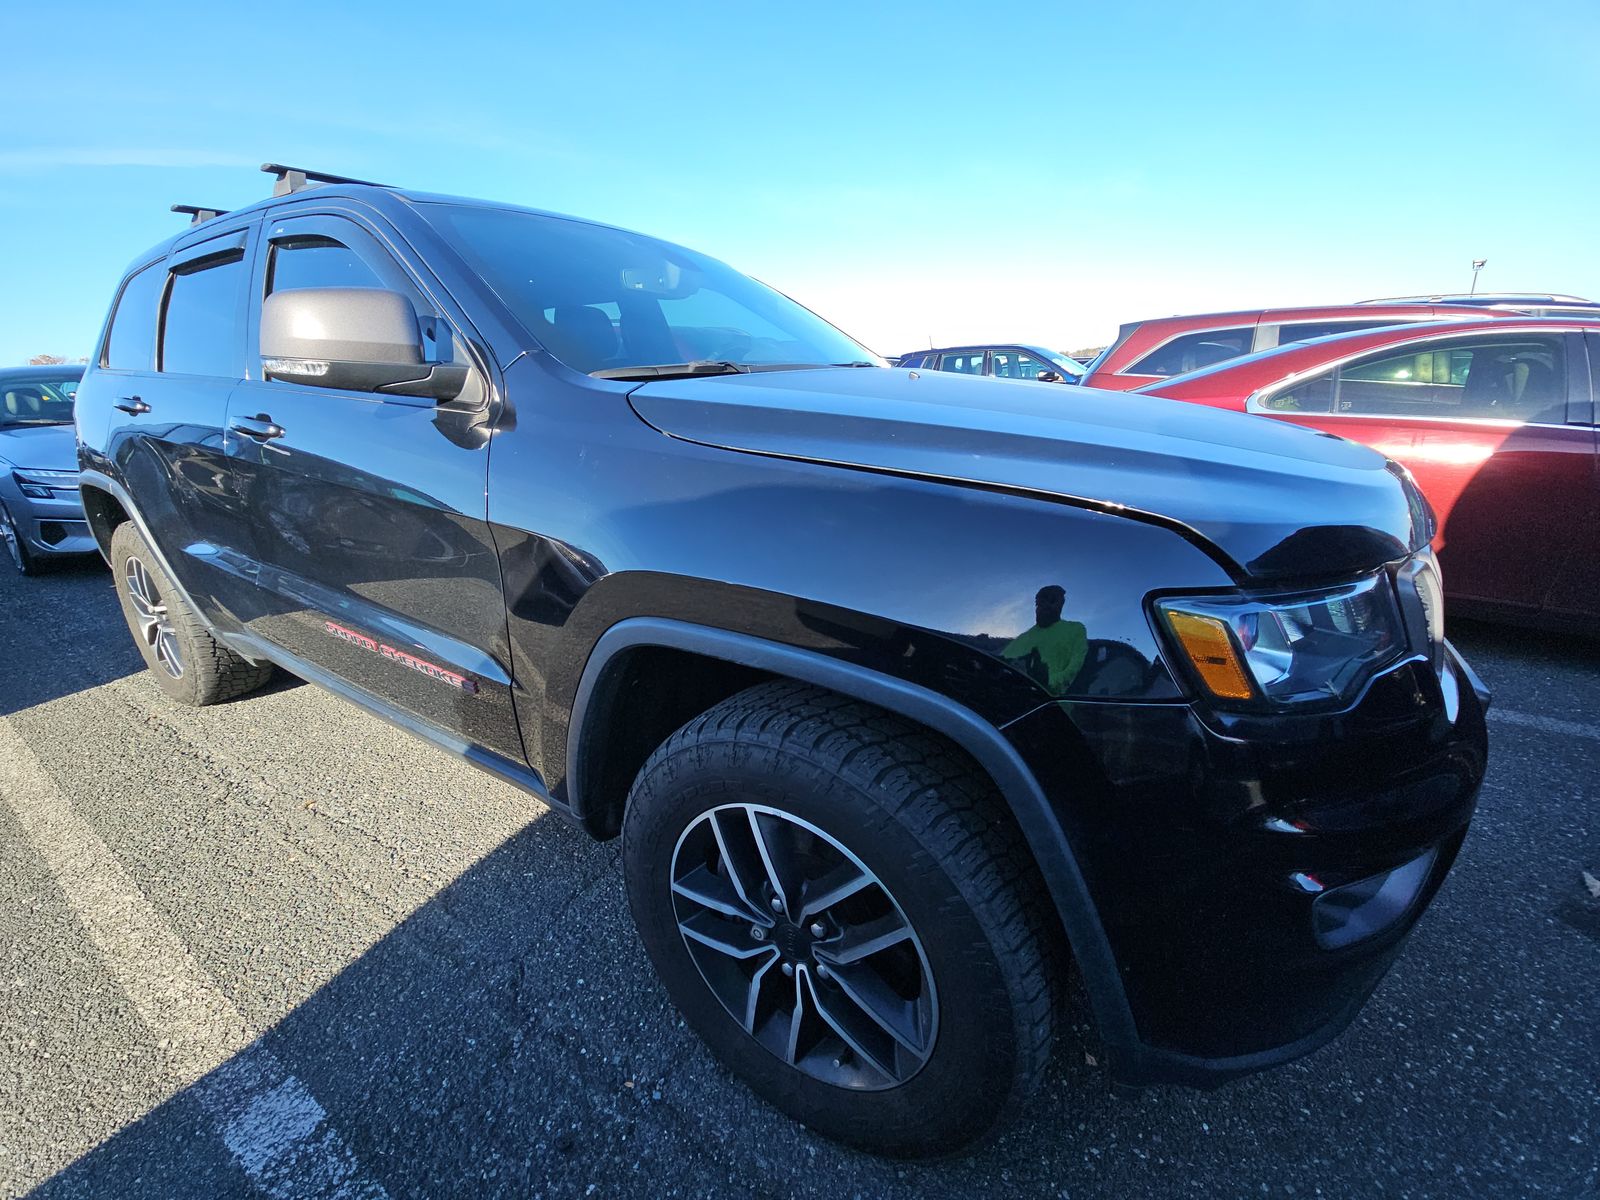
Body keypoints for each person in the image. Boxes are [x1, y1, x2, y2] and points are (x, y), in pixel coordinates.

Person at [1001, 584, 1087, 694]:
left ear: (1060, 605)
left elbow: (1076, 664)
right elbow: (1003, 658)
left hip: (1057, 702)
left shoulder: (1075, 629)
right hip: (1022, 693)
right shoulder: (1027, 636)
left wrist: (1048, 682)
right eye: (1040, 604)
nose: (1044, 607)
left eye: (1051, 601)